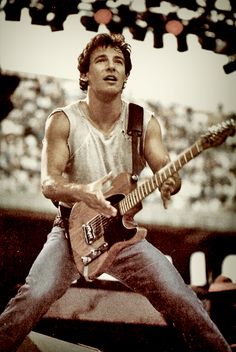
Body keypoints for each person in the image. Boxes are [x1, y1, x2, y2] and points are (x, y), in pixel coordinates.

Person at [0, 33, 231, 352]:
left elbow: (166, 169)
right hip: (72, 232)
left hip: (124, 237)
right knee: (34, 295)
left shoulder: (144, 121)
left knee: (180, 296)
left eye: (118, 61)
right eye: (101, 60)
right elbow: (48, 183)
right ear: (85, 74)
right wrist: (85, 192)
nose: (111, 66)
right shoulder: (64, 120)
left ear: (125, 75)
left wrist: (169, 182)